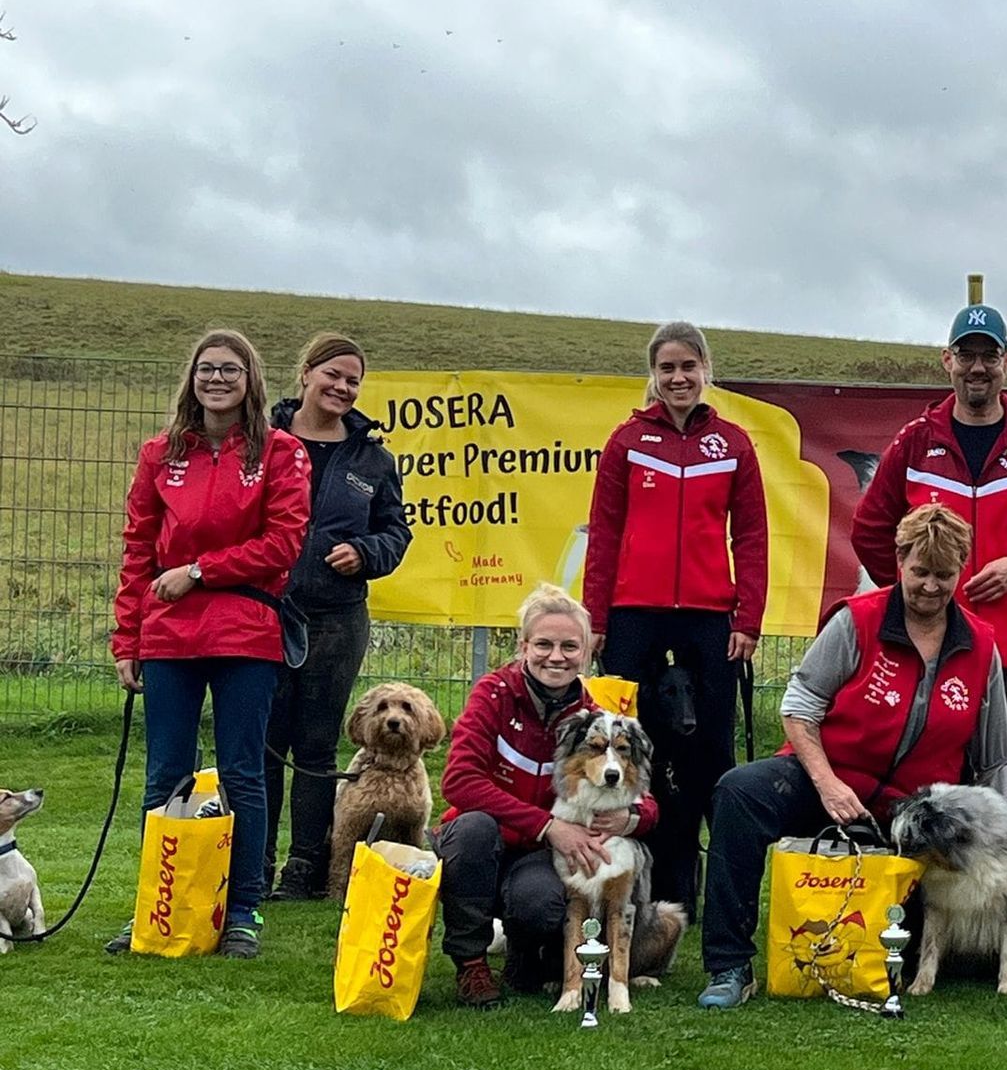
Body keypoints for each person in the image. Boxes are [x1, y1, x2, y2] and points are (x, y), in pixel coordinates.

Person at [697, 504, 1007, 1009]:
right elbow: (800, 707)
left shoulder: (981, 645)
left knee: (902, 956)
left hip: (914, 811)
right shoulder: (857, 620)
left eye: (944, 574)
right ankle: (729, 965)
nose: (931, 586)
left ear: (962, 571)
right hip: (829, 779)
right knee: (740, 790)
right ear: (898, 562)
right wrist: (826, 783)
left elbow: (996, 762)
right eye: (920, 572)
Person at [108, 329, 312, 958]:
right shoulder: (157, 454)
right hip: (168, 634)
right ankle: (158, 906)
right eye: (206, 369)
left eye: (230, 369)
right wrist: (127, 637)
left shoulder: (281, 453)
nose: (216, 379)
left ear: (251, 379)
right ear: (191, 378)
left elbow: (283, 544)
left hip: (246, 631)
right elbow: (138, 550)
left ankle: (243, 909)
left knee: (243, 773)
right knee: (164, 774)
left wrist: (198, 571)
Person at [850, 303, 1007, 819]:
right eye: (966, 354)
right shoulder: (915, 440)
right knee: (929, 762)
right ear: (947, 360)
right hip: (929, 640)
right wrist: (915, 595)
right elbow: (869, 529)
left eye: (989, 355)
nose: (977, 366)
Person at [582, 321, 767, 914]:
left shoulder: (733, 443)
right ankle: (622, 878)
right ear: (653, 375)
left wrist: (748, 616)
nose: (678, 378)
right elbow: (604, 532)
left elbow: (756, 534)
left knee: (709, 749)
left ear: (705, 370)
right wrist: (596, 617)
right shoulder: (626, 441)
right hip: (634, 613)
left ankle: (718, 892)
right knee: (628, 747)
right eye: (667, 368)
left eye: (688, 366)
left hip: (711, 617)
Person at [435, 585, 659, 1008]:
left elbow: (640, 787)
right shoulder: (493, 695)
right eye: (544, 644)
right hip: (487, 843)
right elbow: (458, 781)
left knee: (543, 905)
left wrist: (632, 818)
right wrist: (548, 825)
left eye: (569, 647)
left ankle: (526, 957)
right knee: (473, 828)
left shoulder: (597, 716)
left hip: (538, 855)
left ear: (587, 653)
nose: (556, 657)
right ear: (523, 647)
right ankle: (471, 964)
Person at [263, 333, 413, 899]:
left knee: (318, 745)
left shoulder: (372, 459)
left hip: (337, 617)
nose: (343, 388)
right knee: (265, 744)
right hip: (265, 613)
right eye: (334, 375)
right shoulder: (262, 439)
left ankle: (304, 867)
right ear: (306, 373)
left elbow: (396, 533)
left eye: (353, 381)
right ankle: (253, 862)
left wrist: (366, 554)